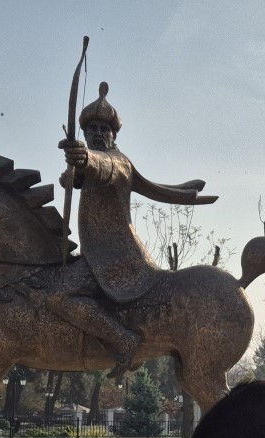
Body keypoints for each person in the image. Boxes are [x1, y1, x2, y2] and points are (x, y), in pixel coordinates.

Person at [52, 82, 218, 376]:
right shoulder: (93, 162)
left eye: (105, 128)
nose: (99, 133)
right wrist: (74, 168)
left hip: (117, 259)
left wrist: (84, 157)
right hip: (98, 255)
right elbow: (75, 179)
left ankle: (123, 340)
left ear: (114, 135)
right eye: (93, 130)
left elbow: (102, 167)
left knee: (59, 297)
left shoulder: (118, 161)